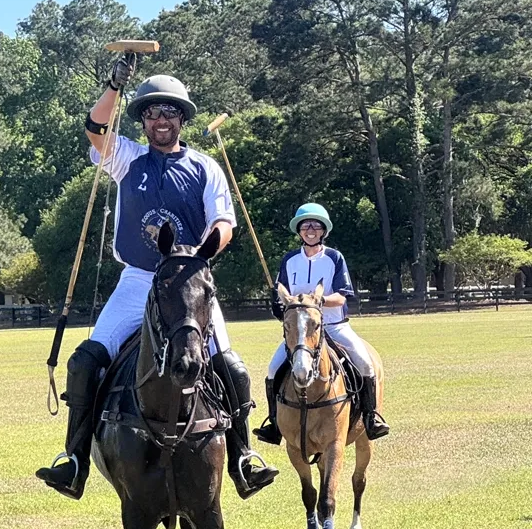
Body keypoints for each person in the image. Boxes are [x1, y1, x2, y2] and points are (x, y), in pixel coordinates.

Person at [36, 57, 279, 501]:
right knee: (85, 361)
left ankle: (244, 458)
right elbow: (95, 129)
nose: (160, 120)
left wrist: (205, 250)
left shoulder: (205, 167)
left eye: (169, 113)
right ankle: (74, 462)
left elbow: (224, 222)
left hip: (188, 282)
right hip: (137, 281)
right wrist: (113, 85)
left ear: (182, 119)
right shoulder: (127, 158)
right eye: (151, 113)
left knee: (230, 365)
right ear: (143, 121)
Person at [256, 203, 389, 444]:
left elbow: (343, 295)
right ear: (299, 230)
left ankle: (371, 418)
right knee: (273, 370)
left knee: (366, 364)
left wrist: (318, 301)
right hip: (299, 332)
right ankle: (275, 423)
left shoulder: (334, 258)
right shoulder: (289, 260)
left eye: (316, 225)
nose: (310, 229)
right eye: (305, 225)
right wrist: (278, 301)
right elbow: (282, 293)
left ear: (323, 231)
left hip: (334, 326)